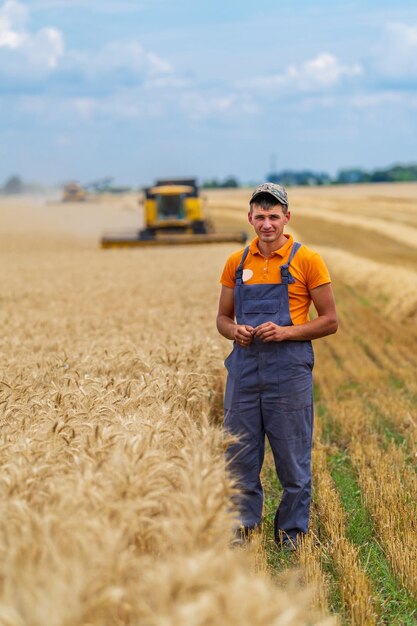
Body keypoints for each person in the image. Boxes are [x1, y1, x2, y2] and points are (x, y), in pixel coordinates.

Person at [216, 182, 338, 549]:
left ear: (287, 217)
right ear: (250, 218)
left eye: (274, 216)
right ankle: (243, 530)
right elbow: (222, 318)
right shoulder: (236, 263)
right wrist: (234, 330)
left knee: (292, 457)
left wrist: (285, 333)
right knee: (239, 453)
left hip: (288, 371)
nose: (267, 223)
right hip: (244, 371)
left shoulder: (308, 260)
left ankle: (292, 535)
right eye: (260, 216)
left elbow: (330, 320)